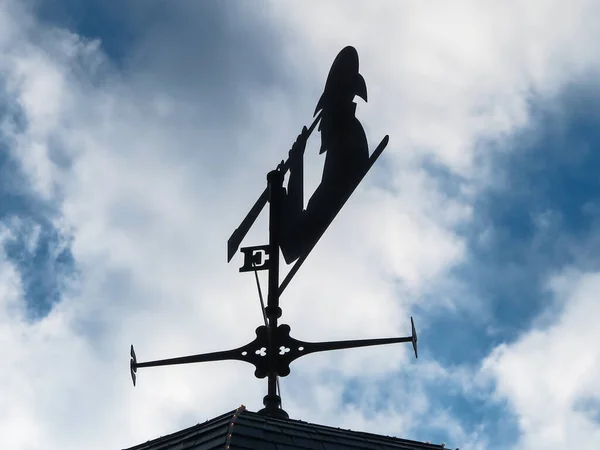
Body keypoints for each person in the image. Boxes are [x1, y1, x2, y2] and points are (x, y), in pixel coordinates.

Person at [280, 46, 370, 264]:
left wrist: (297, 166)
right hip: (313, 220)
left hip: (317, 222)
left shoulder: (348, 134)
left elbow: (295, 243)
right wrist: (297, 164)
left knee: (281, 201)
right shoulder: (346, 135)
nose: (322, 129)